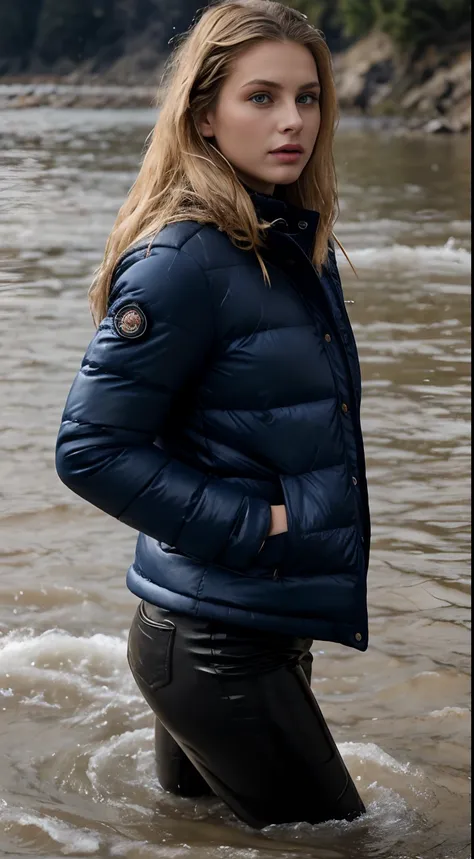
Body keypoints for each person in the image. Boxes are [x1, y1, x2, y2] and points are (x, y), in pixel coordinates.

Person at [55, 0, 371, 830]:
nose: (292, 121)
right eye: (261, 98)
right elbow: (89, 447)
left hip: (247, 626)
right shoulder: (186, 257)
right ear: (204, 115)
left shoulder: (285, 240)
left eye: (307, 97)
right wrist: (259, 523)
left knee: (194, 840)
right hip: (215, 647)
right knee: (353, 846)